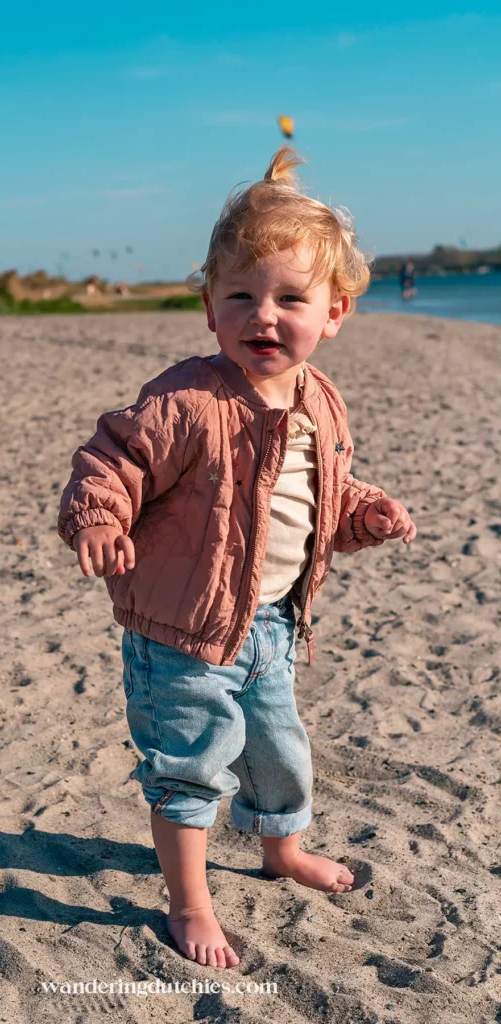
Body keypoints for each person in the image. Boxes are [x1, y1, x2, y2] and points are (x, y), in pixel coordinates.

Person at [57, 146, 417, 970]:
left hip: (275, 627)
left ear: (335, 312)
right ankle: (190, 904)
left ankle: (280, 850)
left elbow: (322, 496)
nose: (264, 315)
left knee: (278, 754)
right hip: (179, 632)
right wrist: (98, 518)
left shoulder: (320, 398)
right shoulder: (187, 398)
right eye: (240, 296)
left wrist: (365, 514)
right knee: (190, 767)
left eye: (290, 298)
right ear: (210, 309)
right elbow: (111, 461)